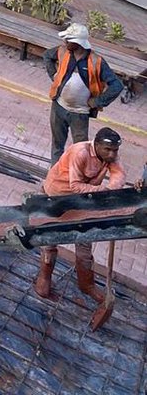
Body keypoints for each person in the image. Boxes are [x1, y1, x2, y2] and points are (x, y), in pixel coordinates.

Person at [34, 127, 127, 302]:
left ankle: (86, 285)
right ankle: (44, 279)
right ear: (97, 145)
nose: (113, 154)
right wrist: (103, 190)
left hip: (82, 202)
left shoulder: (109, 154)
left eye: (115, 150)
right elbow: (76, 186)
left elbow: (119, 174)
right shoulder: (80, 152)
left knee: (84, 243)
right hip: (56, 199)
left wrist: (112, 190)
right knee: (50, 239)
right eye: (108, 150)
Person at [44, 23, 123, 164]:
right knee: (57, 145)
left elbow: (117, 85)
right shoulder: (63, 51)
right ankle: (53, 178)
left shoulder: (96, 61)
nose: (65, 42)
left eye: (68, 40)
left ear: (77, 43)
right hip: (58, 106)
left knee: (80, 150)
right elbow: (47, 56)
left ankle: (77, 178)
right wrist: (54, 77)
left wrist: (98, 101)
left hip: (80, 113)